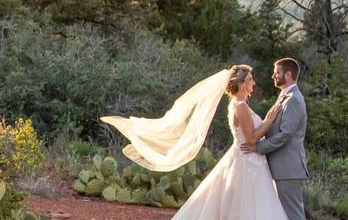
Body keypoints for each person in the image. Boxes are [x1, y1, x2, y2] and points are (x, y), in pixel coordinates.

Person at [102, 64, 289, 220]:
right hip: (247, 162)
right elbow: (251, 137)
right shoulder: (240, 106)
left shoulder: (239, 105)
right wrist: (269, 120)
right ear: (241, 84)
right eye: (250, 80)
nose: (253, 83)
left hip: (247, 159)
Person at [241, 58, 309, 220]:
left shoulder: (294, 100)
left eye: (277, 72)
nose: (273, 76)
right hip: (281, 168)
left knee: (293, 216)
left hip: (288, 169)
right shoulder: (285, 95)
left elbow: (285, 135)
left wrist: (259, 147)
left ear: (289, 74)